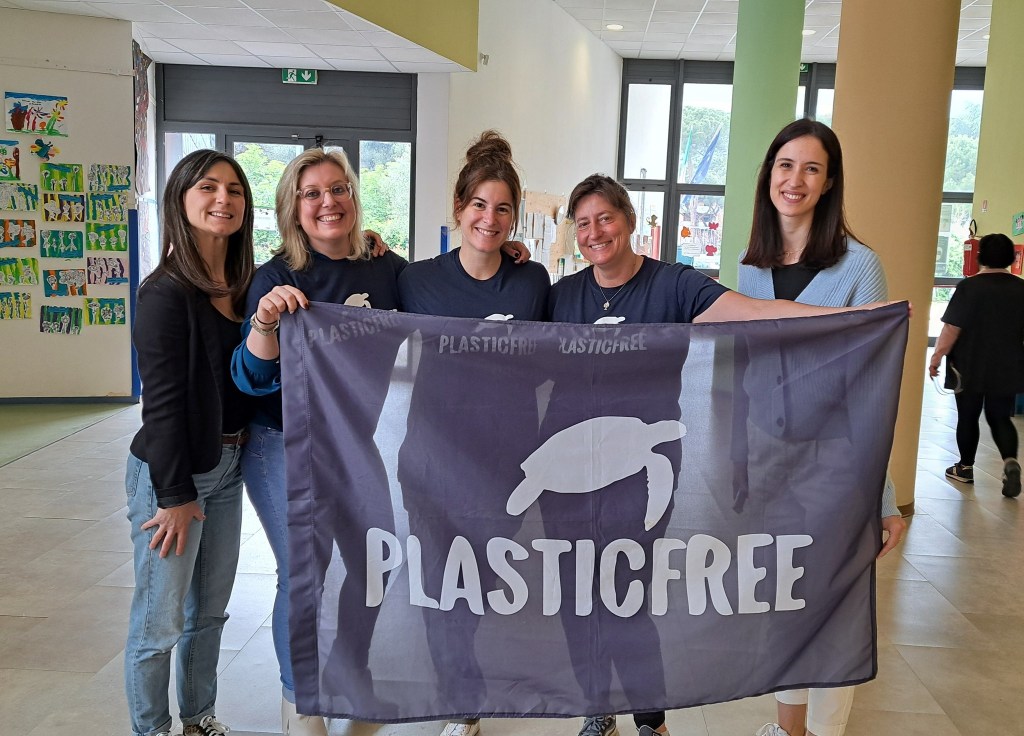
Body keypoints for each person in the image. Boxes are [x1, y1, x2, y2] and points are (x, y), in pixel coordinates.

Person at [546, 173, 897, 736]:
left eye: (605, 218)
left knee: (627, 592)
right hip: (570, 468)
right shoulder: (562, 296)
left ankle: (649, 719)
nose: (595, 233)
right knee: (577, 595)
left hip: (637, 472)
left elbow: (758, 315)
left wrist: (858, 322)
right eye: (583, 224)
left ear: (630, 220)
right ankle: (597, 706)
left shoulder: (674, 285)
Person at [737, 118, 907, 736]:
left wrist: (883, 499)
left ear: (829, 181)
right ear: (769, 174)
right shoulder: (750, 265)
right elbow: (745, 377)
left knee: (832, 609)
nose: (795, 179)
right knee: (782, 603)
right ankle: (788, 728)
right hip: (771, 466)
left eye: (812, 168)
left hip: (838, 469)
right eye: (786, 165)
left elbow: (872, 391)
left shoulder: (860, 268)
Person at [231, 147, 406, 736]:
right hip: (285, 443)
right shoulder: (277, 277)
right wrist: (264, 324)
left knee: (371, 564)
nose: (328, 201)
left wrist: (504, 255)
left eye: (339, 189)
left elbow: (447, 293)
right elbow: (252, 379)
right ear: (294, 208)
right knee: (303, 572)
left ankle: (356, 685)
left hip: (357, 444)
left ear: (355, 198)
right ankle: (301, 701)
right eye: (312, 194)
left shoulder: (386, 268)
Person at [397, 130, 550, 736]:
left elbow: (569, 348)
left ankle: (462, 680)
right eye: (479, 205)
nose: (490, 219)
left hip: (505, 465)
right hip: (432, 461)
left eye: (503, 208)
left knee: (478, 584)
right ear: (458, 209)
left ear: (515, 218)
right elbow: (352, 295)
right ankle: (461, 701)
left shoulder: (532, 282)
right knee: (440, 583)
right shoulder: (414, 280)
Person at [125, 149, 256, 736]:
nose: (223, 199)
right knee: (159, 623)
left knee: (209, 613)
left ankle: (199, 717)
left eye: (234, 189)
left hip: (228, 466)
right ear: (181, 198)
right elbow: (163, 406)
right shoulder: (165, 295)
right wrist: (173, 495)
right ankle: (151, 730)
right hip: (173, 475)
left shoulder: (247, 283)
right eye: (208, 187)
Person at [929, 231, 1024, 499]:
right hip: (1007, 364)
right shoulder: (1021, 288)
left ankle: (965, 467)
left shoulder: (969, 287)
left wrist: (936, 357)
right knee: (1000, 417)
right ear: (1010, 258)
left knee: (968, 416)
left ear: (980, 256)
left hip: (968, 364)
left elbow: (952, 328)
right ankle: (1009, 462)